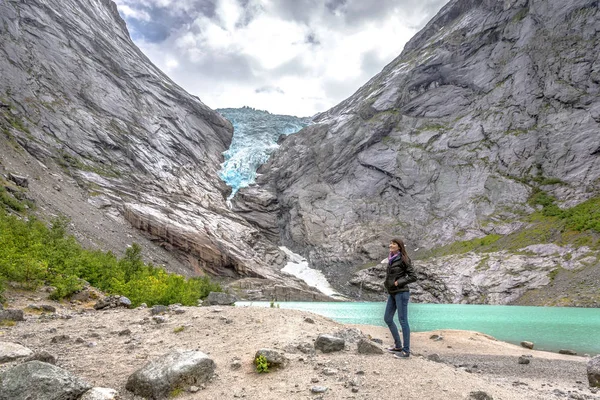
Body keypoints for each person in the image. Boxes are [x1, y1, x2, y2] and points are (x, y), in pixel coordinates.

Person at [383, 238, 417, 358]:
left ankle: (406, 351)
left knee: (403, 321)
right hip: (392, 292)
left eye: (393, 244)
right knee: (387, 318)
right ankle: (398, 345)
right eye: (390, 243)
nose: (391, 245)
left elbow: (413, 276)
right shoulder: (391, 258)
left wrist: (399, 282)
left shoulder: (404, 259)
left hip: (401, 293)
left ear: (399, 246)